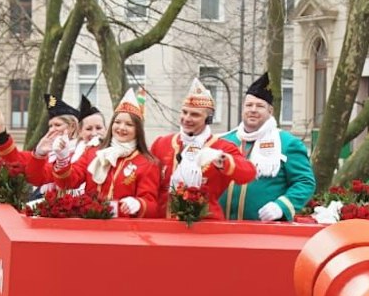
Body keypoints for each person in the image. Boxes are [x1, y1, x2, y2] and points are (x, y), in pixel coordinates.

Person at [148, 80, 254, 221]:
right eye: (184, 112)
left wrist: (222, 159)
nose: (187, 118)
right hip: (163, 224)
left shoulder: (222, 147)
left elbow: (249, 173)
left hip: (205, 224)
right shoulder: (162, 144)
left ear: (208, 119)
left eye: (195, 114)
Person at [218, 71, 314, 222]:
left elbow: (305, 182)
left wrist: (281, 206)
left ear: (270, 111)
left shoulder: (287, 143)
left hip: (264, 229)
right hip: (220, 227)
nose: (253, 110)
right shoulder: (223, 141)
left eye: (260, 106)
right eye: (249, 105)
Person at [56, 89, 162, 217]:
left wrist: (138, 204)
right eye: (117, 122)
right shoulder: (93, 152)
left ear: (138, 130)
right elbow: (68, 183)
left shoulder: (147, 163)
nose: (121, 128)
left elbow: (152, 206)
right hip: (90, 224)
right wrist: (62, 158)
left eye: (129, 124)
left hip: (124, 226)